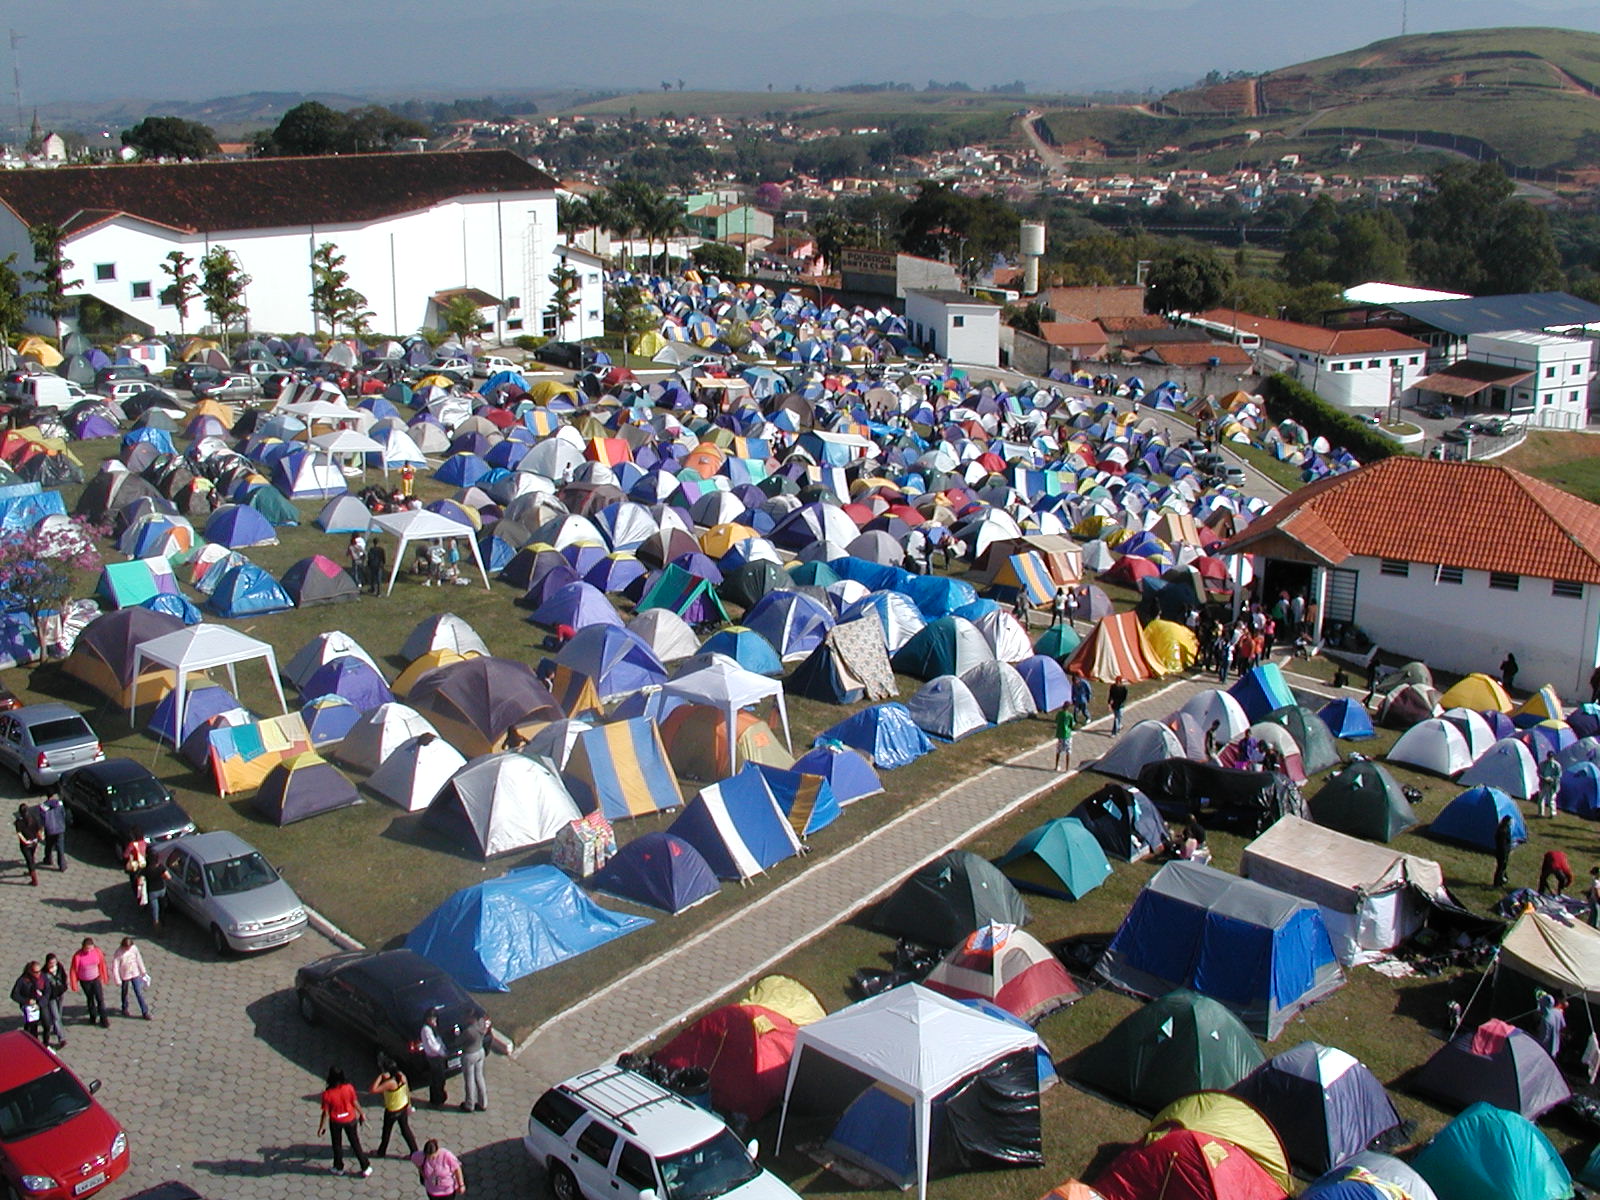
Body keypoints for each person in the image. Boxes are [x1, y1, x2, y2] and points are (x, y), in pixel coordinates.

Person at [317, 1066, 372, 1177]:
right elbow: (354, 1102)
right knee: (355, 1143)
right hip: (350, 1119)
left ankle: (338, 1167)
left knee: (337, 1145)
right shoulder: (349, 1088)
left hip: (336, 1121)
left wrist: (321, 1127)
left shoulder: (327, 1094)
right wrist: (361, 1113)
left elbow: (325, 1113)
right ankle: (365, 1166)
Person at [371, 1055, 420, 1158]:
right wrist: (409, 1104)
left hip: (392, 1110)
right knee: (406, 1130)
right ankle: (414, 1151)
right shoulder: (402, 1076)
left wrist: (380, 1077)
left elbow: (373, 1090)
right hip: (402, 1107)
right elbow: (406, 1091)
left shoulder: (390, 1083)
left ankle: (381, 1152)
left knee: (386, 1131)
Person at [69, 937, 108, 1028]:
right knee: (90, 998)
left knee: (100, 999)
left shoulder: (97, 952)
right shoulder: (78, 956)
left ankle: (104, 1019)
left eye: (91, 948)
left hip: (96, 978)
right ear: (83, 947)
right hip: (85, 981)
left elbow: (102, 964)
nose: (89, 950)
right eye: (87, 948)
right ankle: (92, 1016)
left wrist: (104, 976)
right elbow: (73, 970)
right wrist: (74, 984)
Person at [109, 936, 150, 1020]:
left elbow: (139, 959)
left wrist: (143, 971)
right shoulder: (119, 952)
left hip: (135, 973)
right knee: (124, 992)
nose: (128, 948)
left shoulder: (134, 949)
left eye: (129, 947)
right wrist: (117, 979)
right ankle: (124, 1007)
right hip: (125, 975)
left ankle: (145, 1011)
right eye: (126, 947)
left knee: (138, 992)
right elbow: (115, 966)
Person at [458, 1013, 490, 1113]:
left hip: (470, 1054)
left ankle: (469, 1104)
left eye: (467, 1017)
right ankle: (483, 1103)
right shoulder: (481, 1024)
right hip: (480, 1051)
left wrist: (457, 1035)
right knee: (479, 1077)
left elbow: (458, 1041)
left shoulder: (469, 1031)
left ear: (471, 1018)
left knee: (469, 1080)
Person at [11, 961, 47, 1044]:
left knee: (42, 1023)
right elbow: (14, 995)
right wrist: (27, 1001)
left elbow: (47, 990)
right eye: (36, 972)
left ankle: (37, 1041)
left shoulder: (42, 977)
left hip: (40, 1003)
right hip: (28, 1006)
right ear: (30, 971)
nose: (39, 974)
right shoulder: (22, 980)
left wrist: (41, 1000)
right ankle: (30, 1041)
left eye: (40, 971)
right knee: (30, 1024)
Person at [419, 1009, 449, 1107]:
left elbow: (438, 1040)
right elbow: (433, 1045)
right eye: (431, 1019)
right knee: (438, 1078)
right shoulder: (426, 1030)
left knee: (439, 1078)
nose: (433, 1021)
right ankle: (437, 1098)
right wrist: (442, 1053)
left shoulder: (433, 1028)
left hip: (438, 1055)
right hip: (434, 1057)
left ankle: (438, 1096)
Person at [39, 953, 66, 1048]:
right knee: (56, 1017)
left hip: (60, 994)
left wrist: (64, 987)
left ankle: (56, 1029)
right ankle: (61, 1038)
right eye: (51, 963)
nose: (53, 964)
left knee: (59, 1013)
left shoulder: (59, 967)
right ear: (47, 963)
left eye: (55, 962)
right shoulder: (44, 973)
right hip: (51, 997)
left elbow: (64, 977)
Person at [37, 792, 66, 872]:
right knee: (60, 847)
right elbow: (63, 814)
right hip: (60, 828)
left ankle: (48, 859)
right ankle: (62, 865)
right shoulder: (60, 804)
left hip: (49, 829)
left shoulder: (43, 806)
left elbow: (42, 819)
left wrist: (42, 828)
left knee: (49, 845)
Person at [14, 802, 41, 886]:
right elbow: (38, 829)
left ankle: (34, 880)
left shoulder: (19, 822)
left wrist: (25, 841)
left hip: (25, 845)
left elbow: (19, 834)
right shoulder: (33, 818)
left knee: (29, 861)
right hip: (34, 842)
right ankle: (30, 872)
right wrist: (39, 838)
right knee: (31, 857)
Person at [1536, 992, 1566, 1062]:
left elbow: (1543, 1038)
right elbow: (1563, 1026)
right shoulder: (1558, 1012)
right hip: (1555, 1049)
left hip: (1546, 1052)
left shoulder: (1545, 1019)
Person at [143, 854, 169, 932]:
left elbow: (141, 879)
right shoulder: (161, 868)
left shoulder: (146, 869)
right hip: (161, 889)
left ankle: (157, 926)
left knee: (155, 909)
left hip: (152, 891)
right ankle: (163, 920)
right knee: (163, 905)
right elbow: (168, 877)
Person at [121, 827, 148, 899]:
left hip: (135, 866)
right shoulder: (144, 842)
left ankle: (139, 896)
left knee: (135, 882)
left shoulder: (132, 844)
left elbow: (125, 855)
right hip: (144, 864)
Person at [1538, 751, 1562, 819]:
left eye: (1551, 757)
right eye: (1549, 757)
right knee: (1541, 798)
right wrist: (1543, 778)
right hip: (1544, 783)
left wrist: (1552, 779)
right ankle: (1540, 813)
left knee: (1551, 799)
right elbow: (1539, 772)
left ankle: (1553, 814)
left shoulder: (1557, 765)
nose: (1550, 758)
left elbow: (1559, 775)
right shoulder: (1542, 764)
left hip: (1553, 784)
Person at [1493, 815, 1514, 888]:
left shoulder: (1506, 828)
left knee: (1503, 867)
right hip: (1502, 852)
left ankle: (1502, 879)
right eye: (1510, 821)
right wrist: (1506, 852)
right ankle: (1497, 883)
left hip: (1504, 851)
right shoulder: (1503, 831)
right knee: (1500, 867)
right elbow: (1502, 845)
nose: (1511, 823)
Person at [1054, 706, 1076, 773]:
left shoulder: (1059, 714)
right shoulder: (1069, 715)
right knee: (1068, 751)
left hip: (1060, 734)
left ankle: (1056, 765)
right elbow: (1072, 724)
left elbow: (1056, 721)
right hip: (1067, 734)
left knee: (1058, 751)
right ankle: (1067, 768)